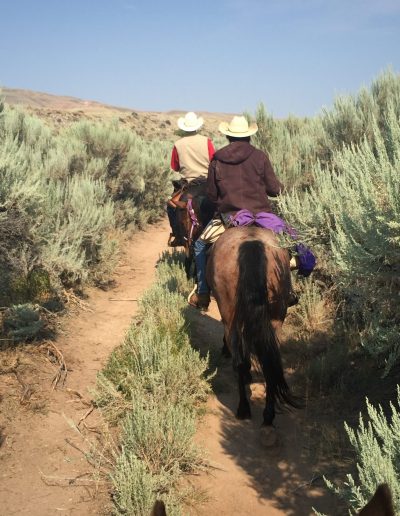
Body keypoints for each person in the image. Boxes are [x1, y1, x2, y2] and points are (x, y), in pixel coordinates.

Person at [188, 115, 286, 309]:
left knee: (199, 245)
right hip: (262, 217)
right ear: (249, 136)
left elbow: (212, 194)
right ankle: (288, 290)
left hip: (229, 218)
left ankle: (203, 293)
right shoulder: (260, 156)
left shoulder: (217, 159)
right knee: (290, 245)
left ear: (228, 137)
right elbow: (275, 190)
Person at [167, 112, 215, 246]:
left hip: (188, 184)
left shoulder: (178, 144)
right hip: (207, 182)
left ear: (184, 128)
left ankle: (178, 235)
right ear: (197, 127)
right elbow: (214, 161)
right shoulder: (207, 141)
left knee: (171, 206)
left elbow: (174, 166)